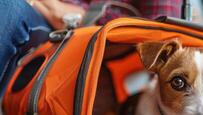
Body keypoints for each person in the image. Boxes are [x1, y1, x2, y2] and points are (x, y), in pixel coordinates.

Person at [0, 0, 182, 96]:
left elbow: (159, 30)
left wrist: (86, 16)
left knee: (9, 9)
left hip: (93, 40)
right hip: (42, 16)